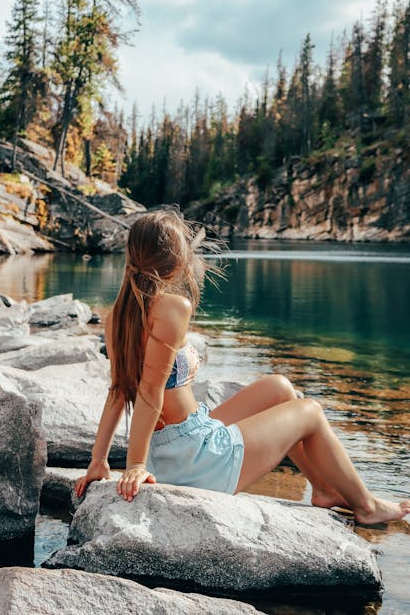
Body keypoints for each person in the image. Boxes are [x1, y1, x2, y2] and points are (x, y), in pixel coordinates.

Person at [75, 210, 410, 524]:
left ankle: (323, 488)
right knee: (309, 411)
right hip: (196, 460)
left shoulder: (119, 314)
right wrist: (134, 465)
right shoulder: (173, 306)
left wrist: (98, 461)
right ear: (177, 261)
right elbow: (148, 390)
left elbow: (119, 390)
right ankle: (367, 506)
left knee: (279, 388)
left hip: (177, 447)